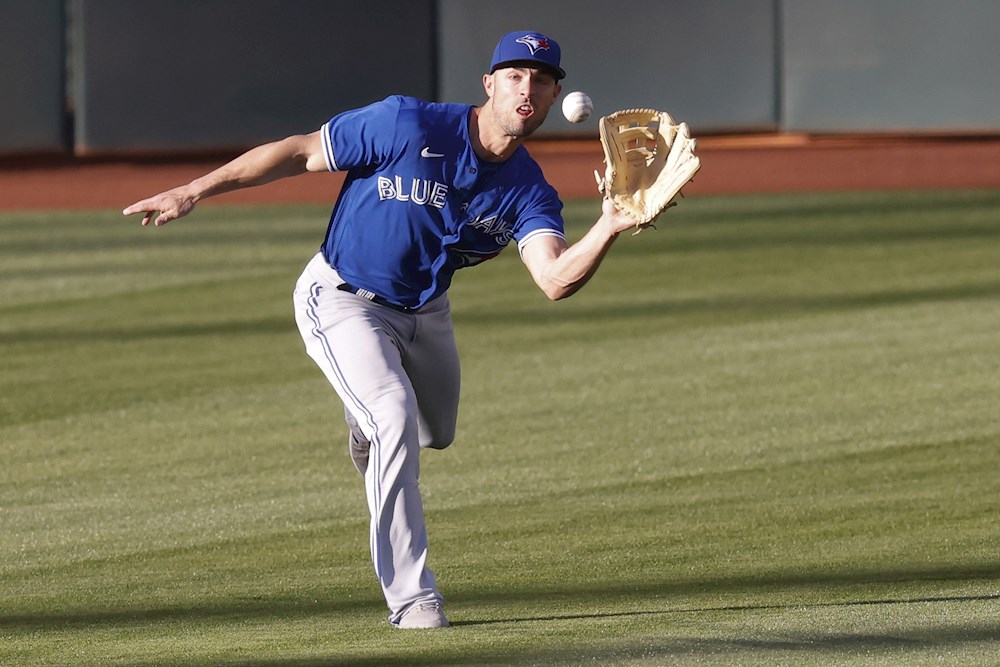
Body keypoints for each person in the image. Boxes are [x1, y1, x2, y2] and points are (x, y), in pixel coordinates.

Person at [123, 30, 639, 629]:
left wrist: (608, 225)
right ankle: (412, 599)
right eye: (515, 76)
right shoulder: (407, 124)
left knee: (434, 432)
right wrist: (194, 190)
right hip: (342, 298)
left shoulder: (530, 192)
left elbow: (553, 279)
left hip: (426, 312)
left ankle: (364, 418)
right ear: (489, 83)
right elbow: (298, 152)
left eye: (541, 80)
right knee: (392, 414)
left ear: (553, 96)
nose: (527, 89)